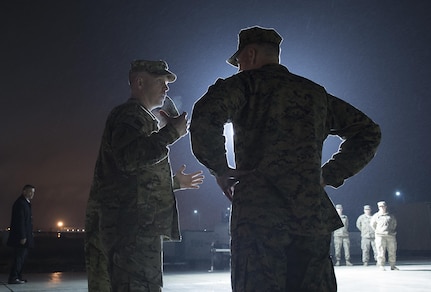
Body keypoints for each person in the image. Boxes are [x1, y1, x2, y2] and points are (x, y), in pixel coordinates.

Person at [190, 26, 381, 291]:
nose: (239, 68)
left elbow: (204, 117)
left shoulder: (245, 85)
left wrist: (219, 168)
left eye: (240, 61)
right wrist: (327, 175)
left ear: (252, 54)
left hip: (260, 216)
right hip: (311, 216)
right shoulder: (314, 94)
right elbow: (368, 132)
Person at [84, 59, 204, 291]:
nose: (166, 88)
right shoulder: (130, 115)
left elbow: (132, 179)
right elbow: (129, 158)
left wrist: (173, 184)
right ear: (140, 82)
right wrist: (172, 132)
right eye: (160, 81)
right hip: (132, 232)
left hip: (134, 229)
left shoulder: (138, 116)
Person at [7, 184, 36, 285]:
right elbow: (20, 221)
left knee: (21, 258)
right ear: (24, 192)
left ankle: (18, 277)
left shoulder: (24, 203)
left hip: (24, 236)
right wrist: (23, 236)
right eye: (30, 192)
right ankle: (14, 277)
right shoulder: (20, 203)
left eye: (33, 192)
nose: (32, 194)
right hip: (21, 237)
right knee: (19, 258)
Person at [370, 201, 398, 271]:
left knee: (392, 251)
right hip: (380, 236)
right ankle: (381, 265)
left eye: (383, 206)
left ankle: (393, 266)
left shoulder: (390, 216)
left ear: (386, 207)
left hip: (390, 235)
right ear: (378, 207)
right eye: (380, 206)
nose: (382, 208)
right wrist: (378, 231)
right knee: (380, 251)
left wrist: (390, 230)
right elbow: (373, 225)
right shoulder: (376, 216)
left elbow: (394, 224)